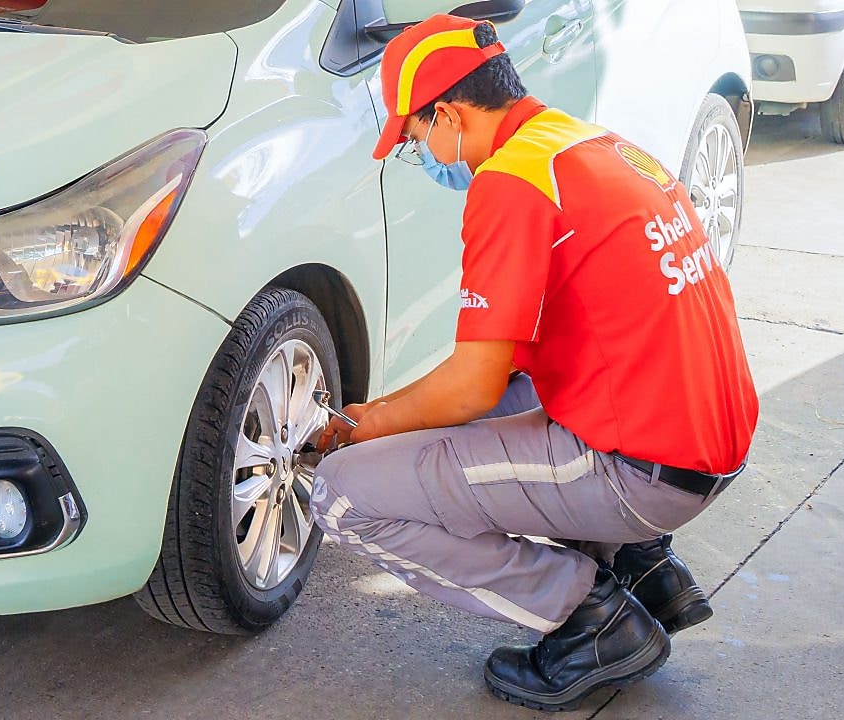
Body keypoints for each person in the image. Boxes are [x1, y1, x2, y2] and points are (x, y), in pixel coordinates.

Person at [310, 13, 759, 712]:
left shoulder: (510, 185)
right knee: (493, 403)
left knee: (341, 494)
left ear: (450, 114)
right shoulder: (587, 145)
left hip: (644, 472)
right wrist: (393, 420)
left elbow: (470, 387)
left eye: (415, 137)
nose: (425, 153)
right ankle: (644, 568)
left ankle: (591, 621)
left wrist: (371, 427)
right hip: (707, 444)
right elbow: (513, 367)